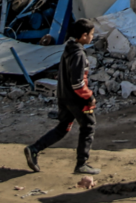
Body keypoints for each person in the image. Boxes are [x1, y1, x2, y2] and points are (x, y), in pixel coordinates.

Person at [24, 19, 100, 175]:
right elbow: (77, 83)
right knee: (88, 126)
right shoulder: (78, 54)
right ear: (84, 35)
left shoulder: (68, 49)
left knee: (63, 127)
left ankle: (34, 149)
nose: (92, 37)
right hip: (76, 99)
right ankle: (81, 164)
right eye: (91, 34)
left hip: (63, 96)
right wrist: (89, 97)